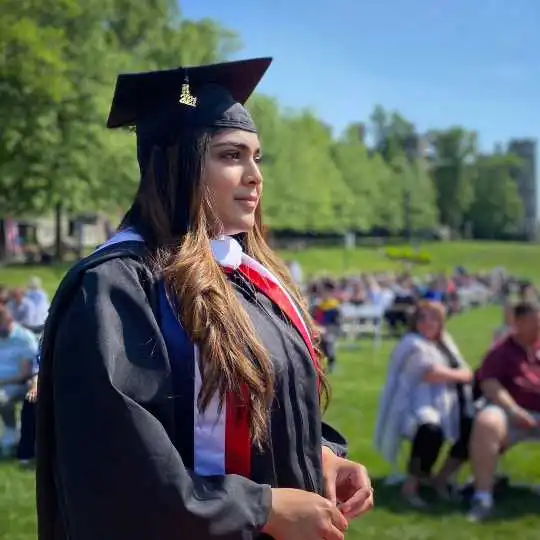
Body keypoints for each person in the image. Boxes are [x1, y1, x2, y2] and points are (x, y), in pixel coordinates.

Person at [36, 58, 373, 540]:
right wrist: (261, 509)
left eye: (257, 156)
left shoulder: (246, 277)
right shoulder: (116, 289)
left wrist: (316, 453)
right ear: (179, 162)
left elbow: (261, 401)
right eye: (231, 155)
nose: (255, 175)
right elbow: (117, 470)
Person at [375, 300, 474, 507]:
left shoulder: (444, 342)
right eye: (422, 318)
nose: (428, 322)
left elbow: (466, 371)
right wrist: (461, 375)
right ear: (415, 321)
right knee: (430, 430)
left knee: (472, 428)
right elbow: (431, 373)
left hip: (449, 403)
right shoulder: (412, 344)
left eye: (434, 318)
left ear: (441, 321)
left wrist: (462, 375)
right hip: (414, 405)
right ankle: (410, 487)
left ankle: (441, 478)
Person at [467, 301, 540, 522]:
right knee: (486, 422)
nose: (539, 326)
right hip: (510, 412)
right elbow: (490, 384)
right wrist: (513, 410)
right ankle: (483, 497)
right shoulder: (501, 351)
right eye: (534, 321)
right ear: (518, 323)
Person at [0, 305, 38, 455]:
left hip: (18, 383)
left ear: (9, 320)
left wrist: (1, 383)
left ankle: (11, 432)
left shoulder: (24, 338)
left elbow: (24, 374)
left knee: (1, 397)